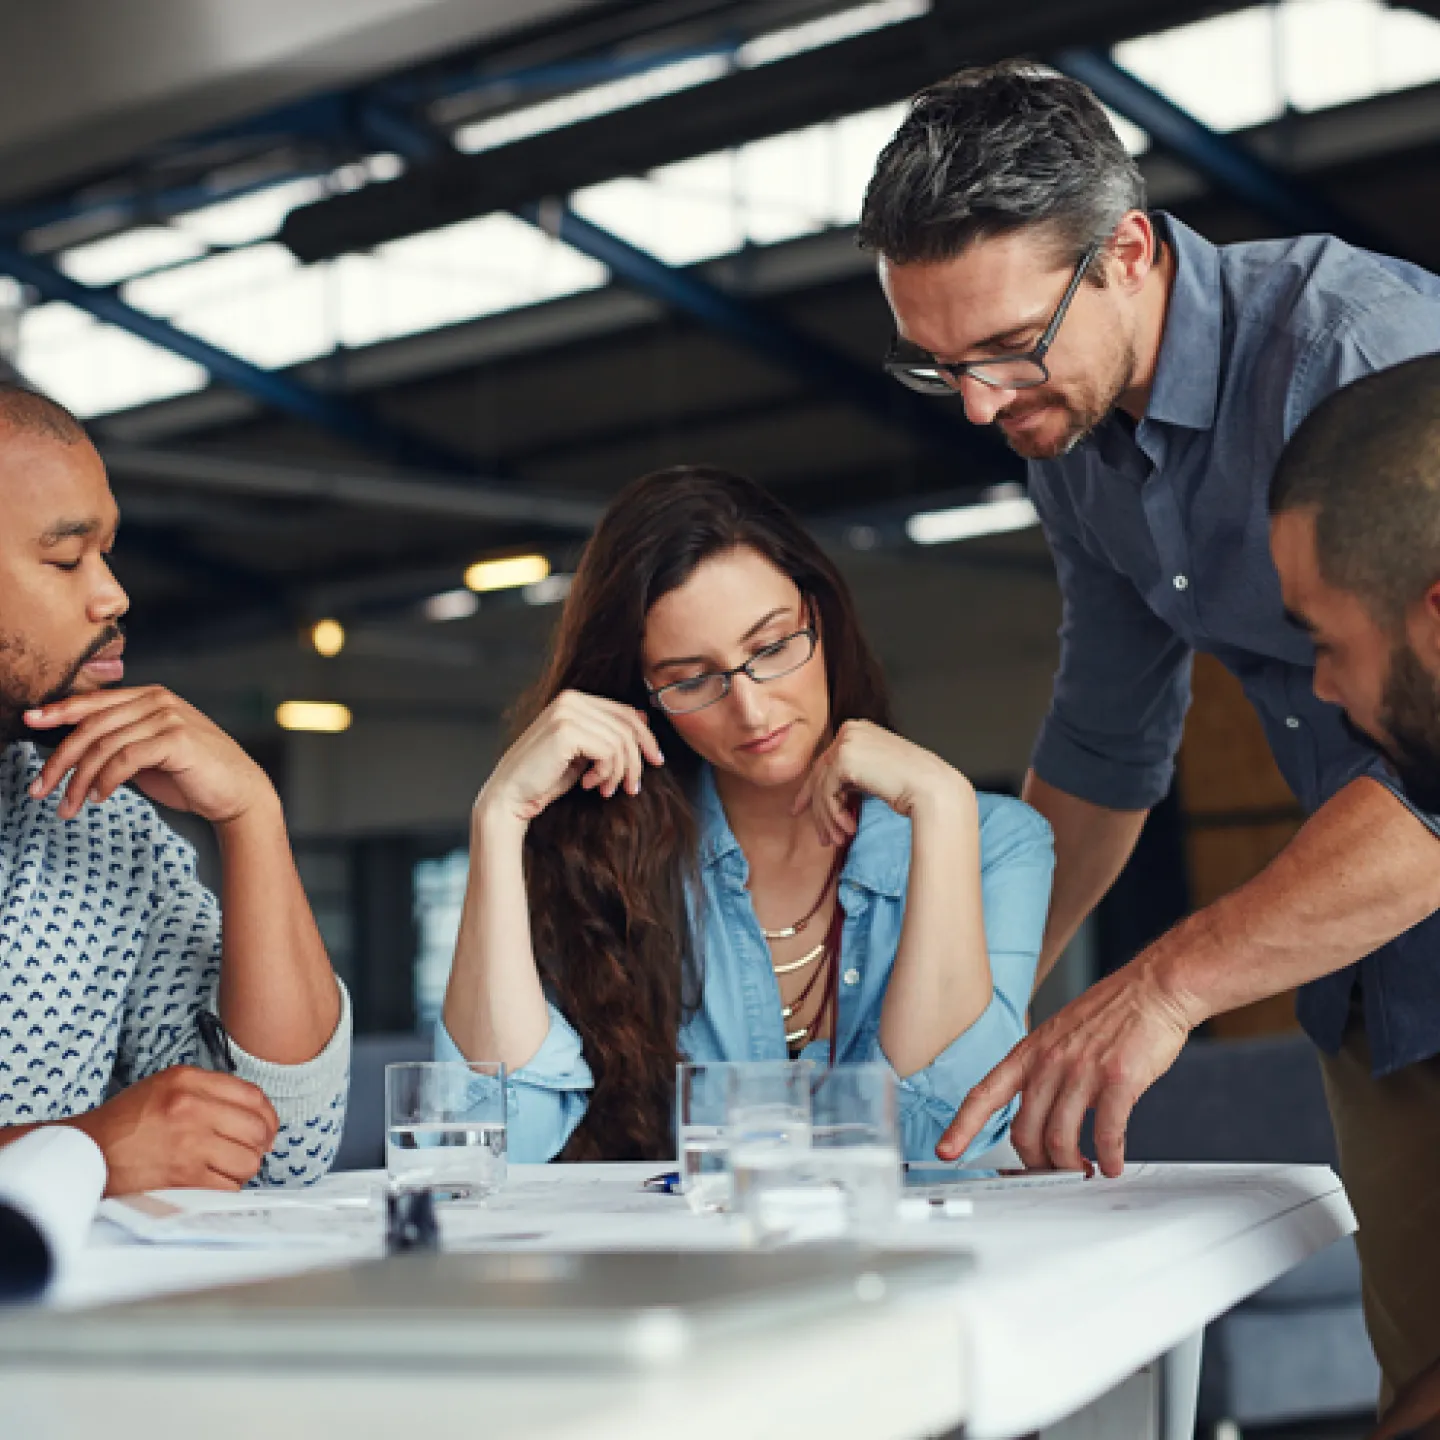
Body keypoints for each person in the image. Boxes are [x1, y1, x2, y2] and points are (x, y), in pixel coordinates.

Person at [857, 60, 1440, 1403]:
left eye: (1007, 346)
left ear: (1126, 251)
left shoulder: (1358, 358)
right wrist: (978, 1006)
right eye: (939, 363)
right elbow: (1104, 745)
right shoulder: (1074, 447)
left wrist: (1165, 985)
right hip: (1378, 983)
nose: (980, 407)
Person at [438, 465, 1054, 1163]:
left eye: (771, 648)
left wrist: (942, 808)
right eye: (692, 679)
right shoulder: (602, 855)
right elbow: (493, 1139)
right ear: (640, 696)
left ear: (819, 617)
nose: (752, 709)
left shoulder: (996, 842)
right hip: (687, 1270)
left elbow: (942, 1134)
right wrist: (498, 818)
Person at [0, 384, 350, 1193]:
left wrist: (251, 814)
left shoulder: (101, 823)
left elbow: (279, 1153)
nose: (112, 595)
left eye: (106, 551)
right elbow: (114, 1153)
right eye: (64, 557)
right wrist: (80, 1153)